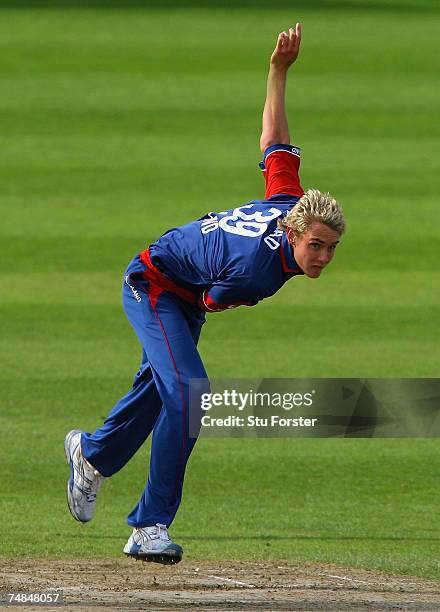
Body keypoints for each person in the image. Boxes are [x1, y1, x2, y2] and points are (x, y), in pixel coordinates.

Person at [64, 22, 346, 565]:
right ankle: (148, 525)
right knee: (189, 392)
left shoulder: (288, 200)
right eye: (317, 246)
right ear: (294, 234)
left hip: (183, 288)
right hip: (154, 286)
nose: (324, 257)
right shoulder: (258, 272)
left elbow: (274, 141)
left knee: (163, 388)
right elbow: (212, 298)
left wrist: (277, 71)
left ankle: (92, 454)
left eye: (332, 247)